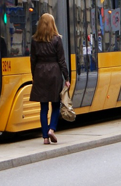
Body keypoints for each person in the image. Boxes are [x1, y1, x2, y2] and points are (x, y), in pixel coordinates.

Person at [29, 13, 70, 145]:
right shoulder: (57, 40)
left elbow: (33, 61)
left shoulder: (34, 40)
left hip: (40, 73)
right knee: (56, 104)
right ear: (53, 25)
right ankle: (52, 129)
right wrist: (67, 77)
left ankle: (45, 137)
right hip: (54, 74)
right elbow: (62, 60)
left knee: (43, 107)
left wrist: (35, 76)